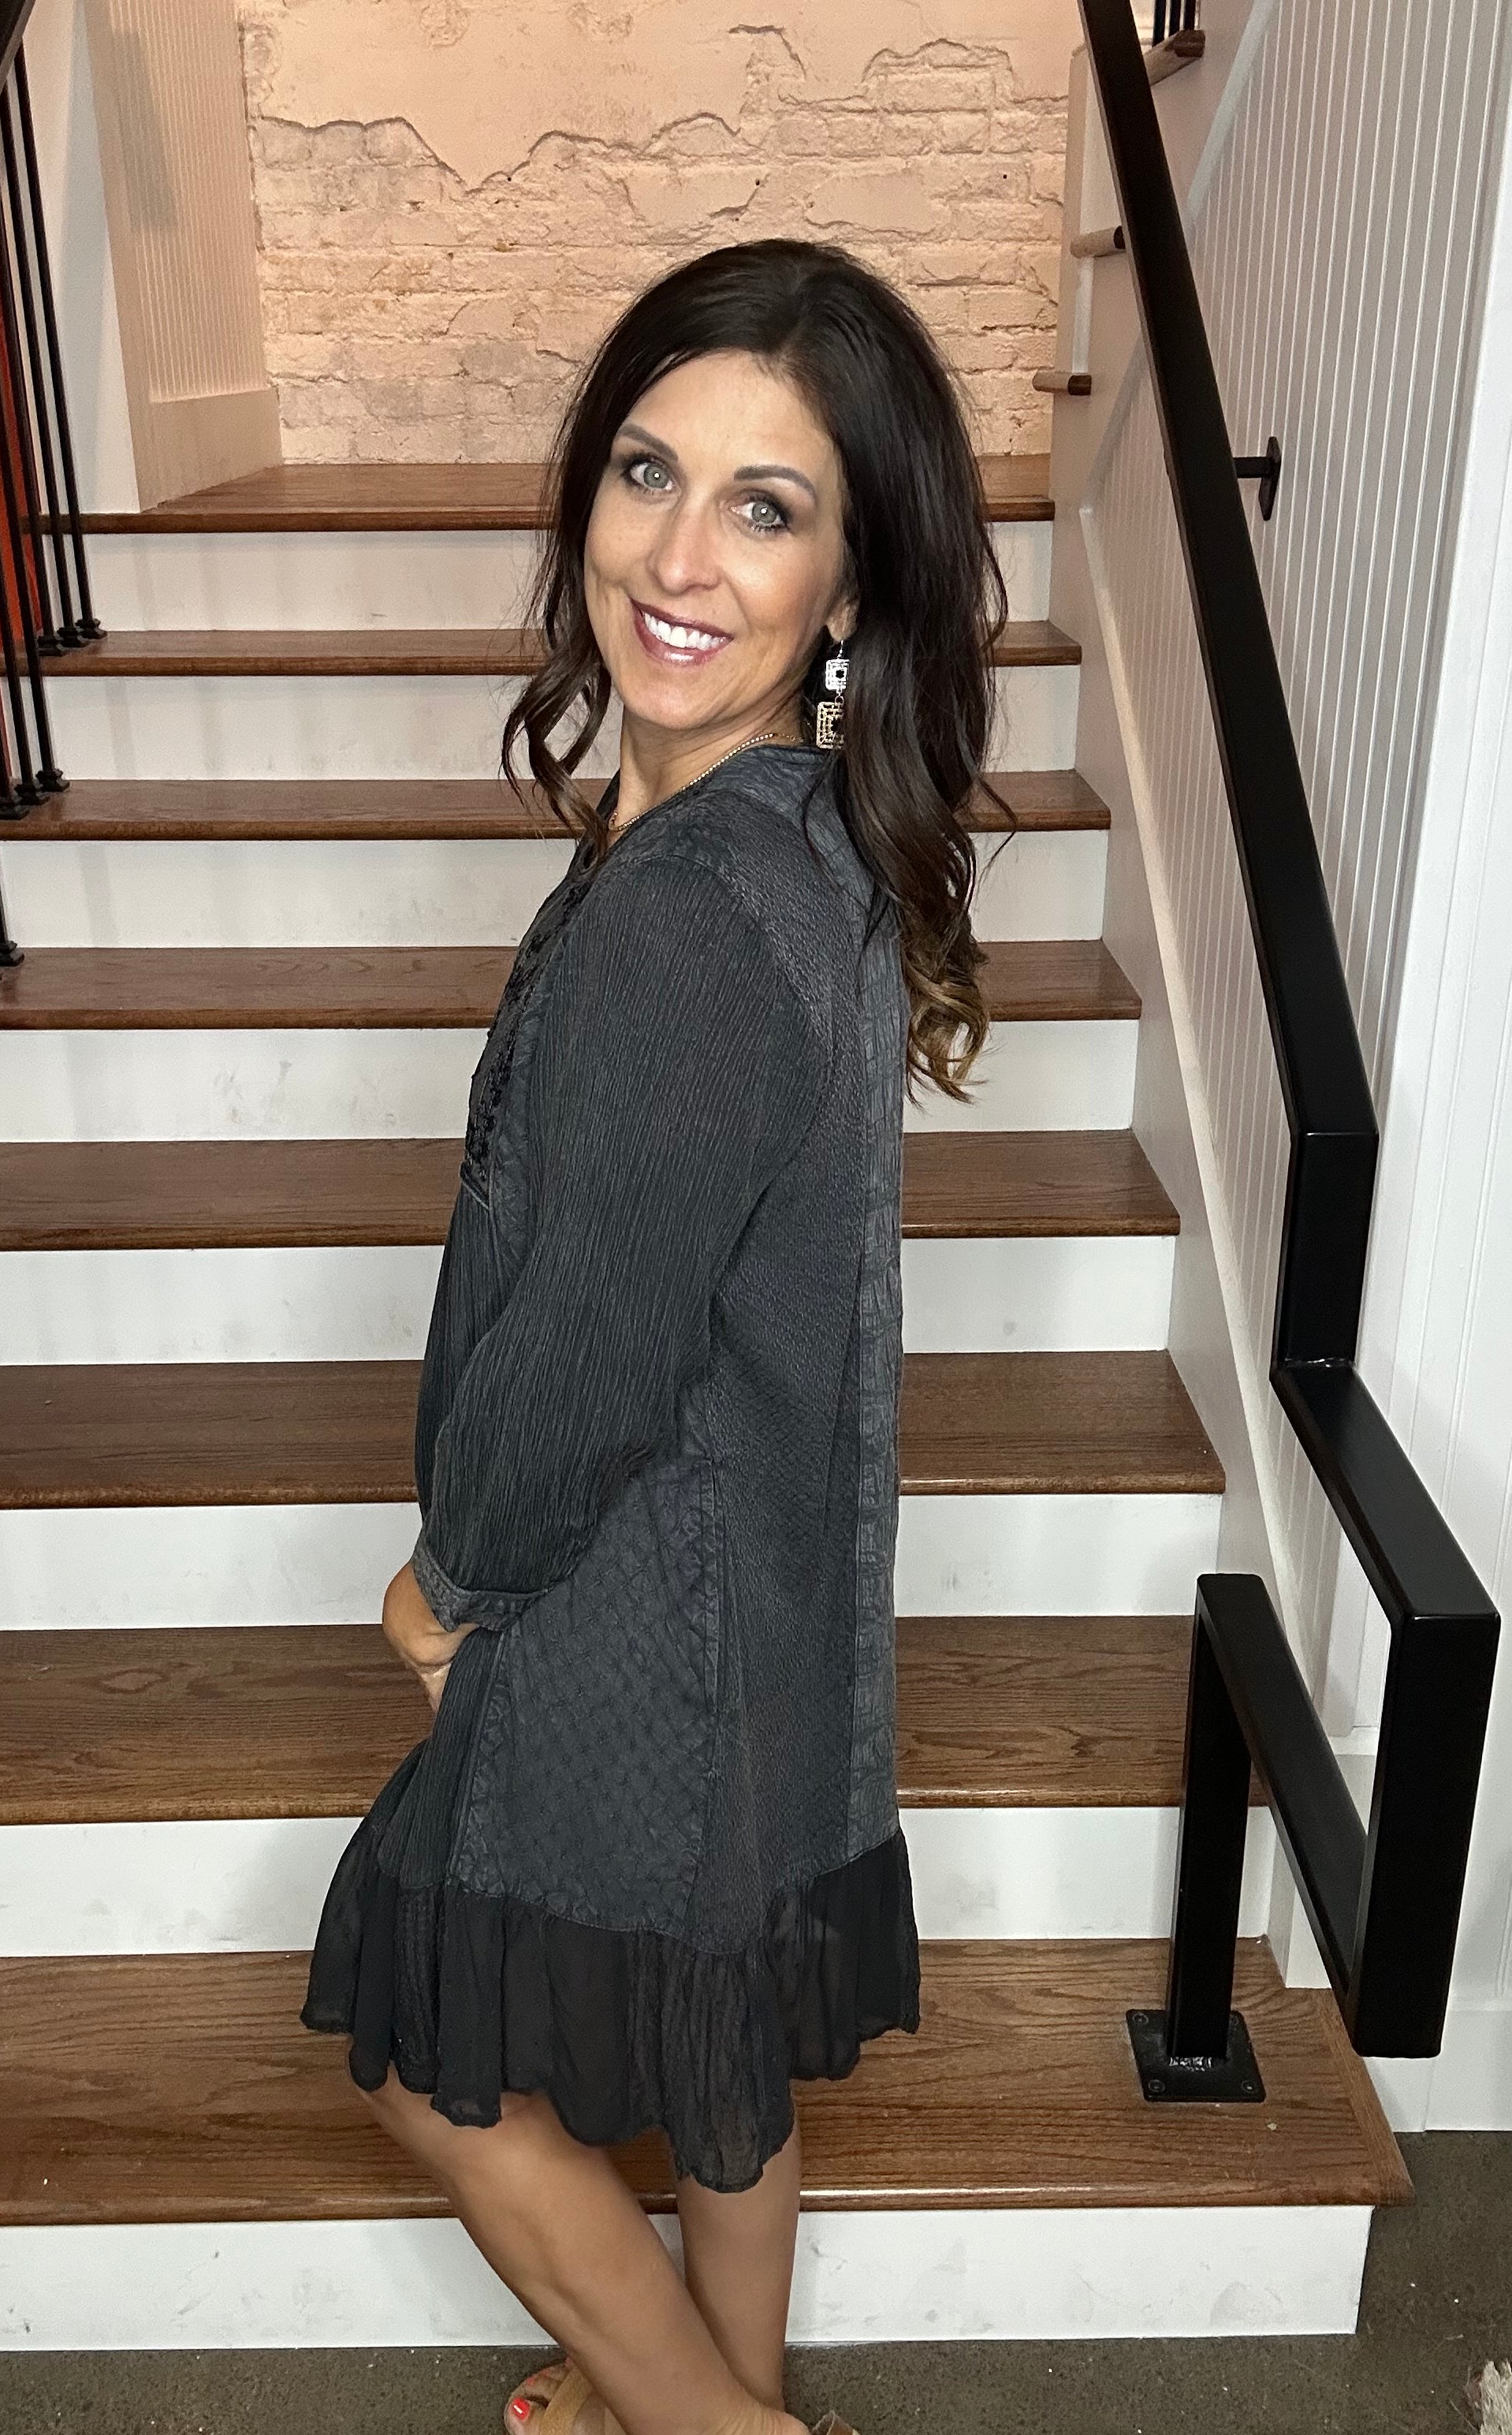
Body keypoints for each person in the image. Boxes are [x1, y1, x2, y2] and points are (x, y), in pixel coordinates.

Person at [304, 237, 1004, 2435]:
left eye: (763, 508)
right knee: (719, 2037)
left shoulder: (696, 915)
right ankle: (710, 2385)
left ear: (850, 583)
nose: (676, 557)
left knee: (422, 2051)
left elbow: (593, 1349)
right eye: (644, 471)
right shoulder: (797, 844)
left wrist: (450, 1583)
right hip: (769, 1590)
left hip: (641, 1601)